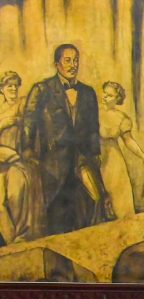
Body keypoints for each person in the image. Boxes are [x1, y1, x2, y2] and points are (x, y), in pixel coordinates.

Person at [20, 44, 112, 234]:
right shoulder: (42, 89)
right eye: (67, 60)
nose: (73, 65)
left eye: (76, 60)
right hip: (55, 162)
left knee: (93, 202)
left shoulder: (88, 93)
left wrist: (95, 153)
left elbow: (93, 127)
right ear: (57, 64)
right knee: (57, 211)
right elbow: (29, 120)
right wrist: (27, 148)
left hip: (83, 158)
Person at [0, 70, 44, 244]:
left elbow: (29, 125)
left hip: (18, 159)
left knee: (16, 192)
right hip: (2, 157)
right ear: (1, 89)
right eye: (7, 85)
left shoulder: (22, 104)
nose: (12, 88)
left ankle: (22, 235)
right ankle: (10, 240)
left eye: (14, 85)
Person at [98, 81, 144, 219]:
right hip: (95, 156)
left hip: (113, 161)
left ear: (117, 99)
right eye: (104, 93)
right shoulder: (93, 110)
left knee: (119, 196)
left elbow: (128, 141)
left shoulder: (121, 118)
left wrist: (143, 157)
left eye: (109, 95)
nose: (104, 97)